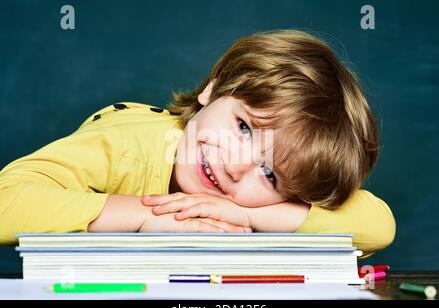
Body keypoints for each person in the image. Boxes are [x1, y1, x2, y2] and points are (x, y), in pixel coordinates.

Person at [0, 30, 395, 258]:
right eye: (243, 127)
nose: (237, 166)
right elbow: (6, 201)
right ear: (212, 88)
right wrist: (147, 216)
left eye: (270, 173)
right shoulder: (124, 145)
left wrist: (247, 216)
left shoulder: (251, 205)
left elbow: (377, 227)